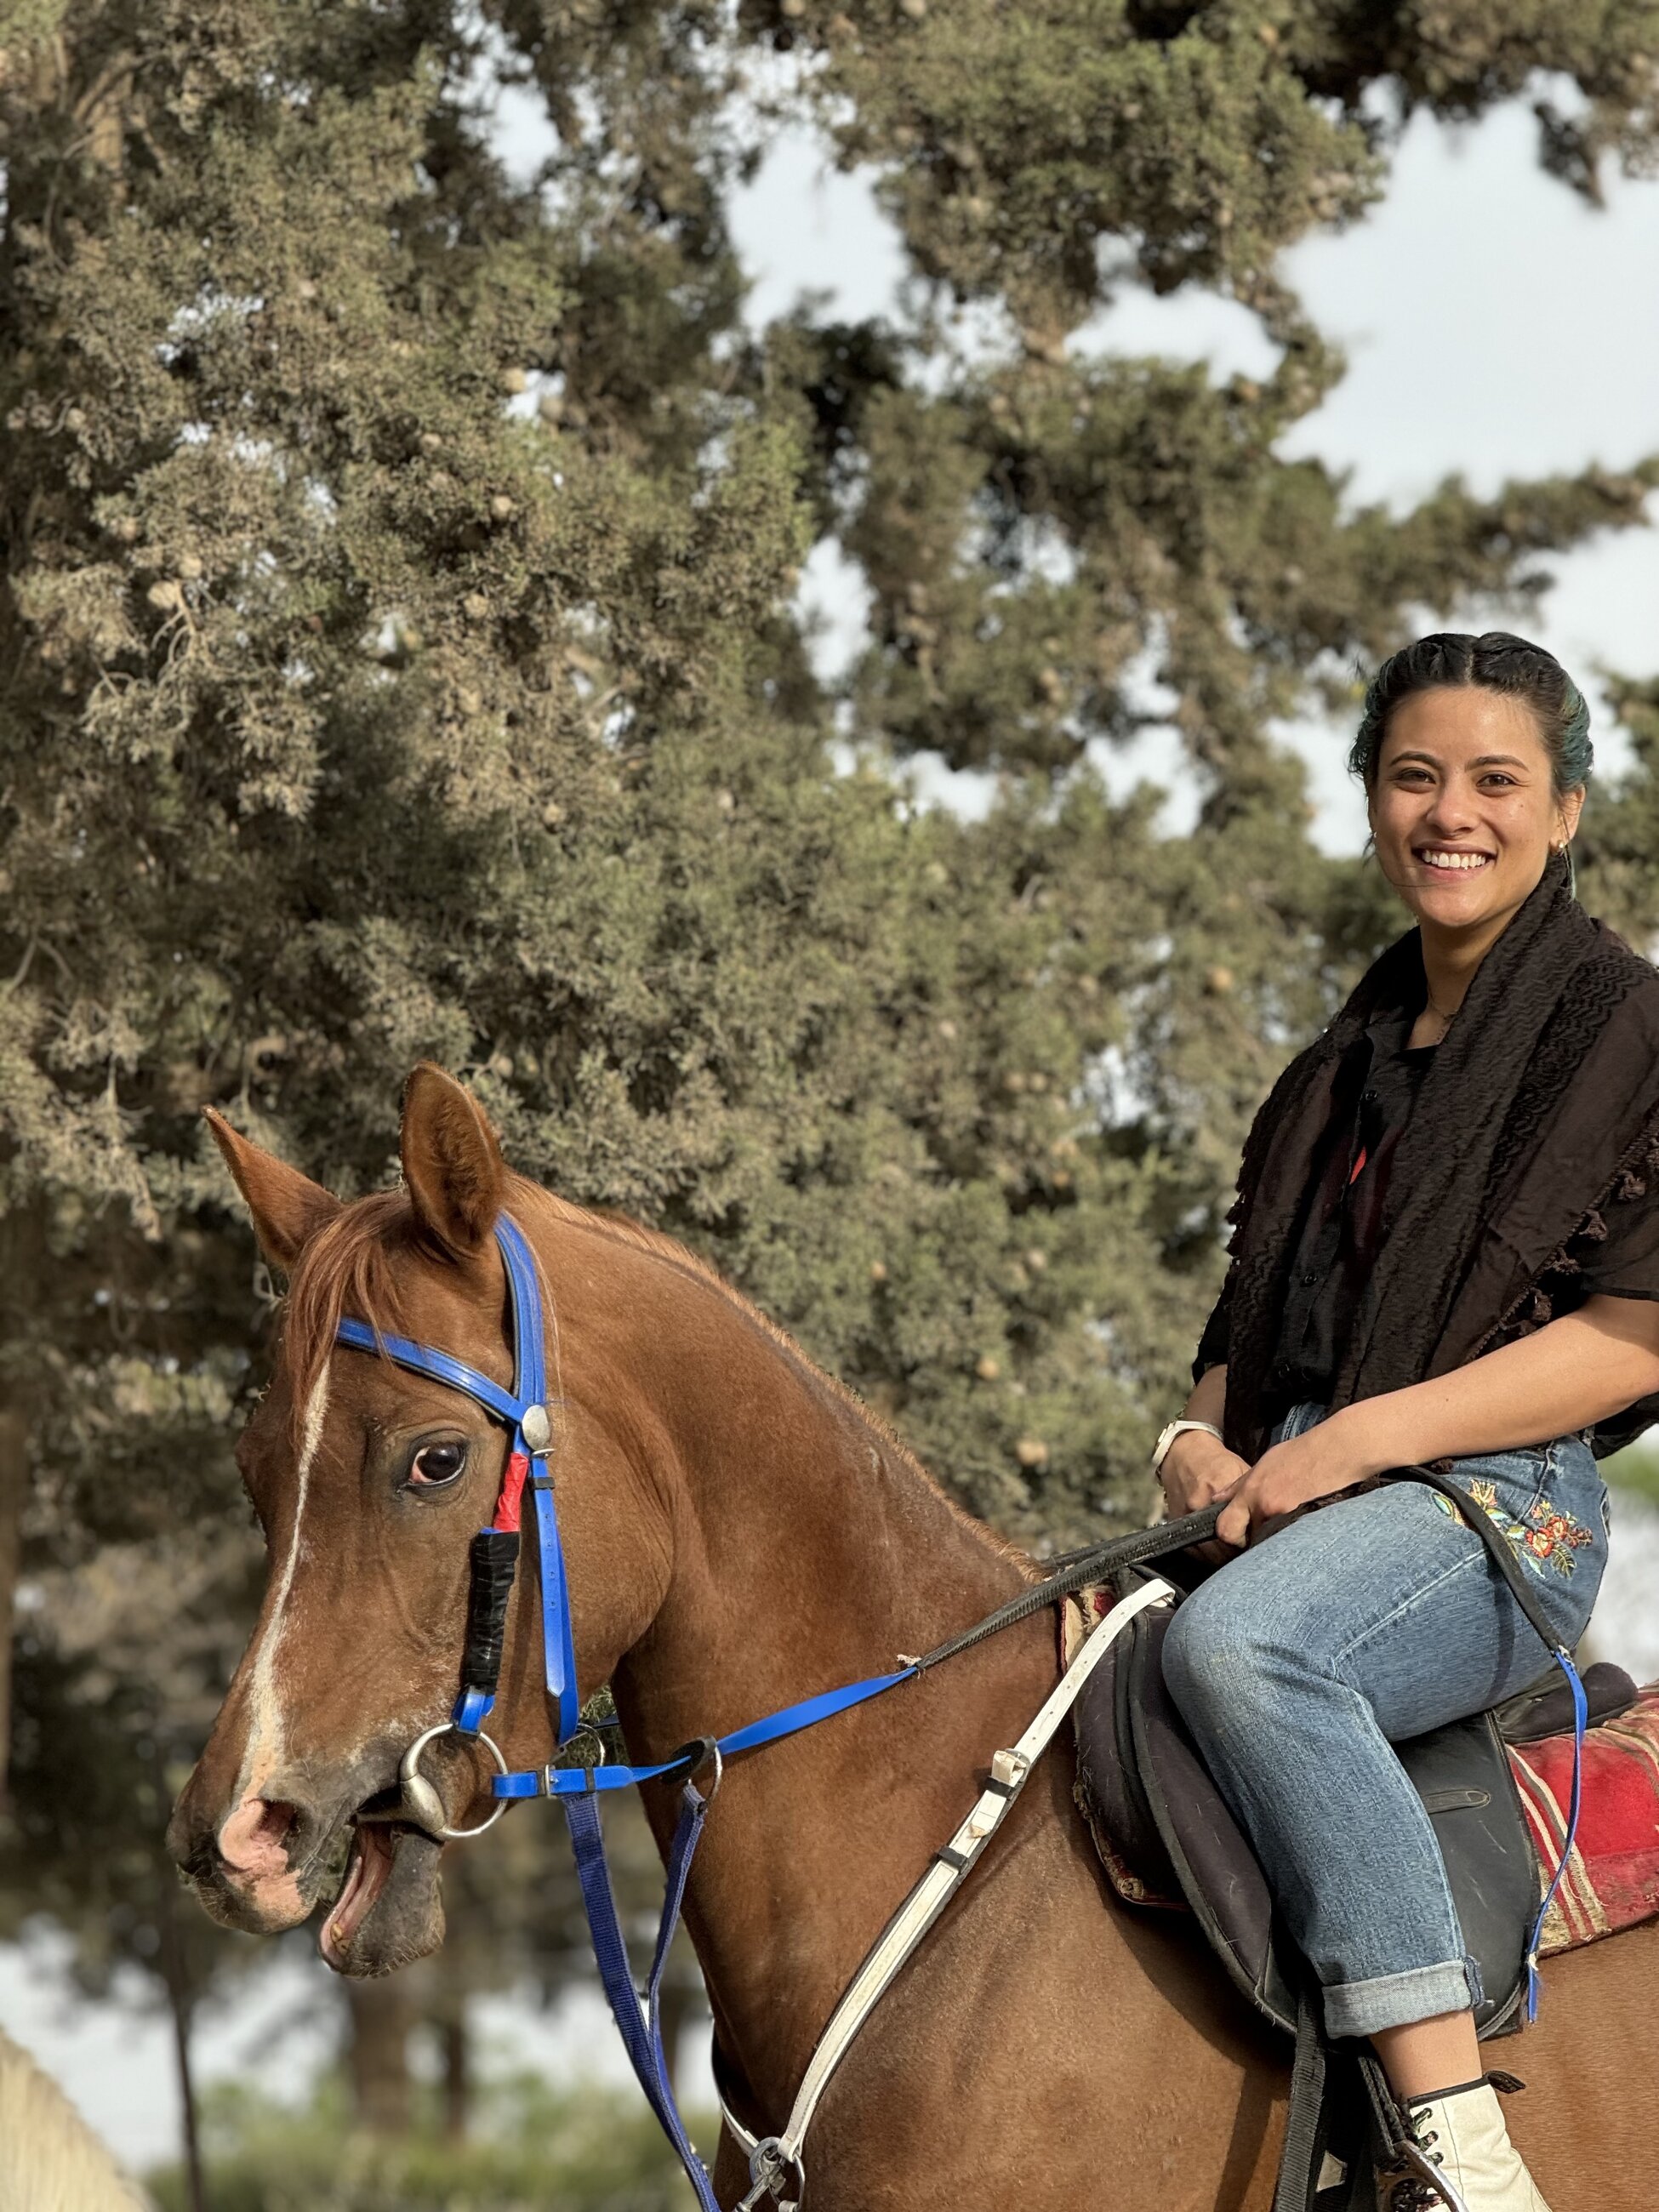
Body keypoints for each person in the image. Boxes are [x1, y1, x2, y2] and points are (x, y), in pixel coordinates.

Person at [1154, 632, 1659, 2212]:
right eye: (1414, 775)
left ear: (1564, 811)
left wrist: (1355, 1442)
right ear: (1374, 804)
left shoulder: (1629, 1033)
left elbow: (1630, 1336)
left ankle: (1457, 2142)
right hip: (1290, 1493)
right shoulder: (1328, 1074)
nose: (1452, 811)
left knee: (1248, 1654)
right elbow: (1231, 1345)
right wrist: (1194, 1448)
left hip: (1497, 1513)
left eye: (1495, 780)